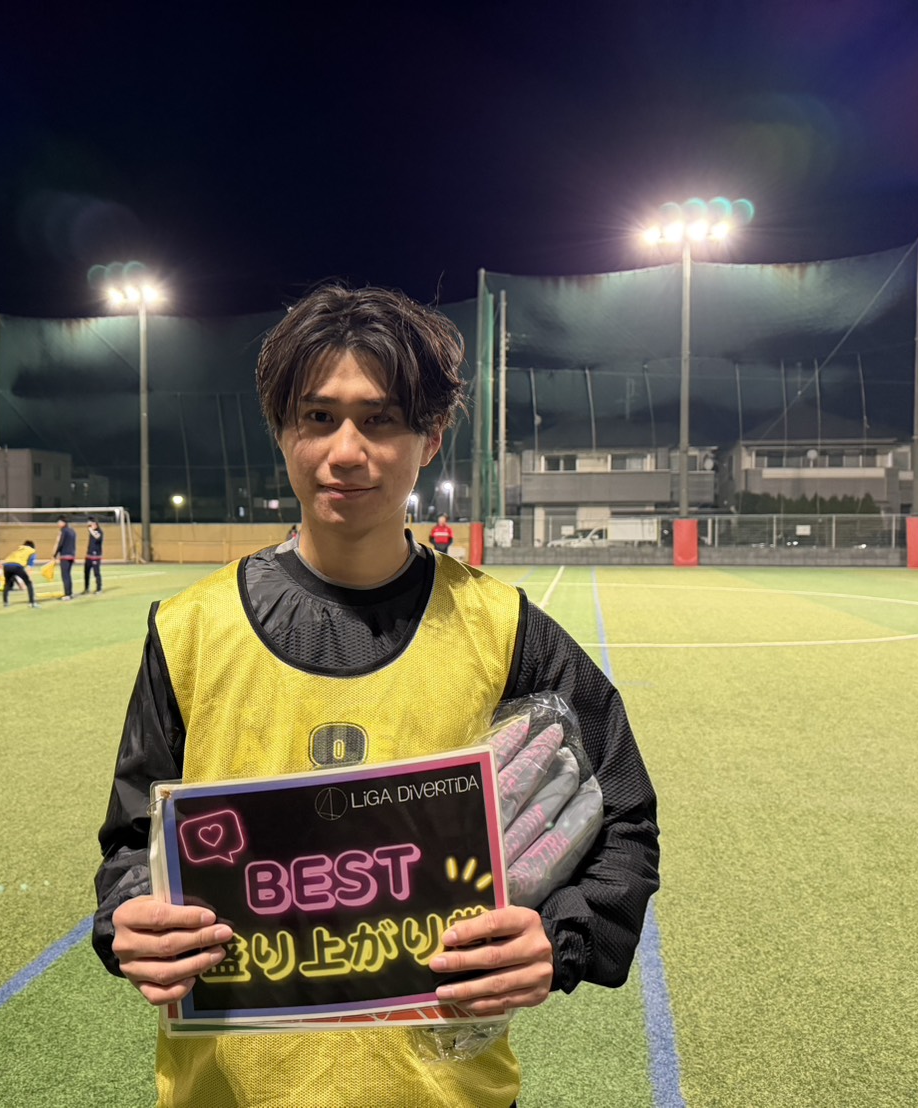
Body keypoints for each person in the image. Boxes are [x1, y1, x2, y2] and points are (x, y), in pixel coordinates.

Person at [92, 285, 660, 1108]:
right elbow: (131, 841)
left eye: (380, 420)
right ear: (282, 429)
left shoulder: (504, 630)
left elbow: (624, 815)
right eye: (318, 417)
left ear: (430, 438)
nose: (345, 451)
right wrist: (130, 917)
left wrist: (557, 938)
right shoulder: (189, 630)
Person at [0, 540, 41, 608]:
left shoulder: (18, 550)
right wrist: (28, 577)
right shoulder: (32, 551)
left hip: (6, 566)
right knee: (29, 583)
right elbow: (29, 566)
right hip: (17, 566)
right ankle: (32, 603)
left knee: (7, 583)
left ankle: (5, 602)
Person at [53, 517, 77, 601]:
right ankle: (70, 593)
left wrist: (55, 554)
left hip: (65, 556)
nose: (58, 524)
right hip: (71, 555)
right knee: (68, 575)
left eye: (59, 522)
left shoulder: (64, 531)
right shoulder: (72, 531)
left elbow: (61, 543)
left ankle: (67, 594)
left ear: (63, 523)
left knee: (65, 575)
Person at [82, 518, 105, 595]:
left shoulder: (99, 532)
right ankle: (86, 588)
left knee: (96, 572)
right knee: (86, 572)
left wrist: (91, 530)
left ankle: (99, 588)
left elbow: (97, 537)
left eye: (92, 524)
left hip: (96, 556)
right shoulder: (91, 532)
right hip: (89, 555)